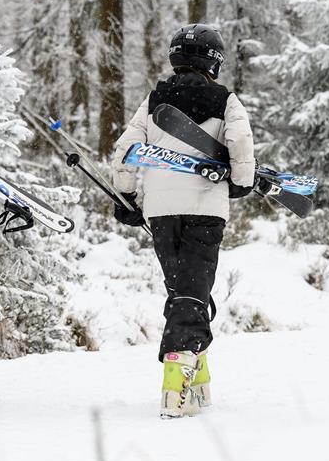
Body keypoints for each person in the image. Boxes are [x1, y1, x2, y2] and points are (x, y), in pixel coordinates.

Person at [110, 23, 256, 418]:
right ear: (216, 61)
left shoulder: (155, 100)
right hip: (206, 208)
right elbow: (240, 143)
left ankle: (200, 384)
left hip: (160, 210)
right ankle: (177, 373)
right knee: (194, 288)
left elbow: (125, 149)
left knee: (183, 289)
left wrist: (126, 196)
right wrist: (242, 182)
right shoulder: (224, 99)